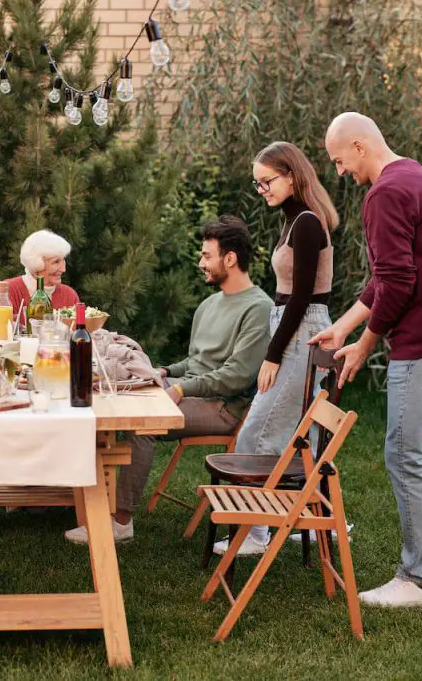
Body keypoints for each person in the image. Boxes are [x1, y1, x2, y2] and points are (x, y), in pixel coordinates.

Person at [314, 112, 422, 607]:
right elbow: (390, 274)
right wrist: (344, 326)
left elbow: (399, 282)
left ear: (362, 146)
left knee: (406, 453)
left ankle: (418, 579)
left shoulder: (385, 193)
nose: (340, 172)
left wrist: (366, 343)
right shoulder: (419, 176)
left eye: (340, 160)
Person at [65, 217, 273, 544]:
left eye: (207, 256)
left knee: (141, 424)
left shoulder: (259, 309)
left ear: (230, 259)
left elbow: (236, 376)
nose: (201, 263)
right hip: (192, 393)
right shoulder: (209, 304)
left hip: (223, 408)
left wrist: (180, 388)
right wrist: (166, 372)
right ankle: (78, 501)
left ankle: (120, 522)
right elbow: (197, 361)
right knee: (107, 402)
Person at [212, 141, 340, 557]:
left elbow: (302, 296)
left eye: (266, 181)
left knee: (258, 429)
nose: (262, 189)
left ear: (291, 175)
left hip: (301, 329)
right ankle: (306, 520)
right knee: (283, 428)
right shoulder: (293, 220)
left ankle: (254, 532)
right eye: (257, 183)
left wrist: (272, 354)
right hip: (292, 325)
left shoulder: (305, 222)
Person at [5, 229, 80, 316]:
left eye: (63, 260)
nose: (63, 269)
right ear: (36, 263)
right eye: (56, 262)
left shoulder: (69, 296)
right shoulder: (9, 290)